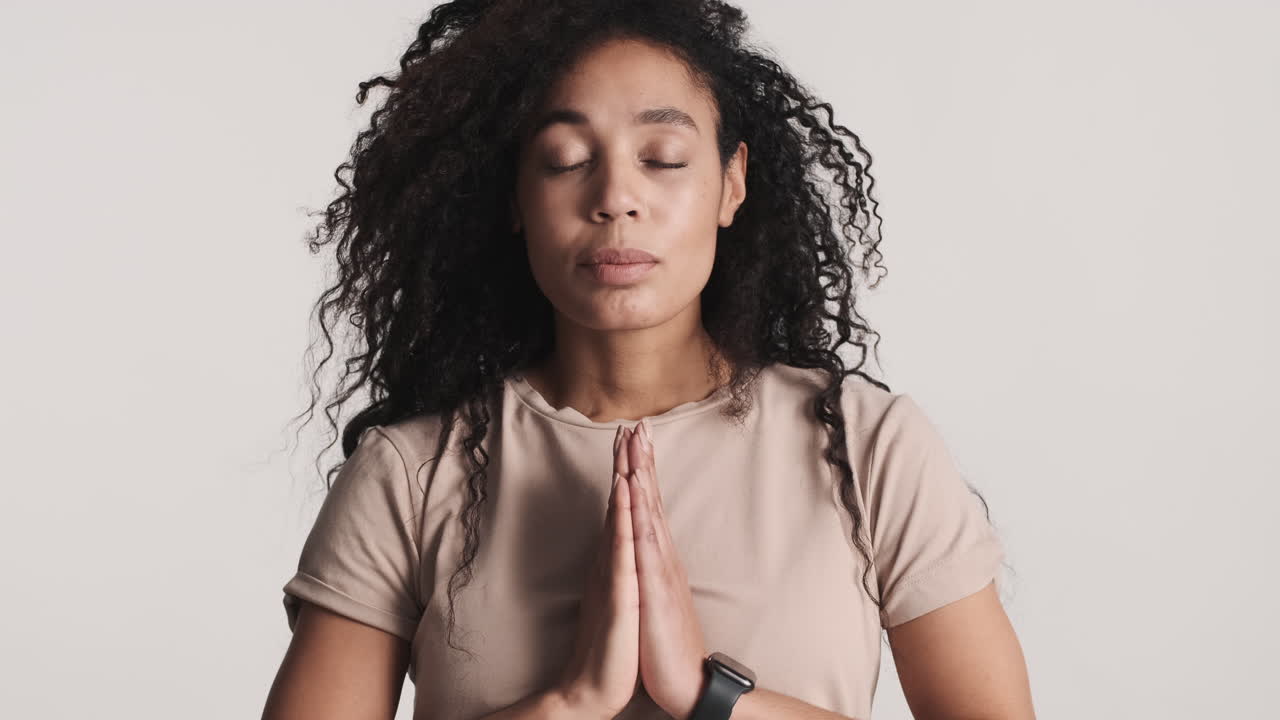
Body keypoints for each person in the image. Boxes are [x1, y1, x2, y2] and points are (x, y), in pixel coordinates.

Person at [262, 1, 1036, 719]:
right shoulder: (412, 473)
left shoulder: (868, 448)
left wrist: (708, 695)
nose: (615, 197)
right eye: (565, 159)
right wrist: (570, 702)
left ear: (732, 184)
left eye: (662, 157)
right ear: (513, 200)